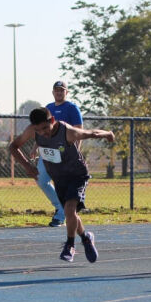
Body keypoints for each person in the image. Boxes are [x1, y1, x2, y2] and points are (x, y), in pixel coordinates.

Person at [10, 107, 114, 263]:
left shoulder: (67, 132)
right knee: (70, 213)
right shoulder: (32, 131)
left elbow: (91, 133)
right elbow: (13, 146)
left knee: (69, 209)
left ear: (52, 121)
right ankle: (86, 238)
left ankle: (70, 245)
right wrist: (28, 167)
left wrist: (108, 134)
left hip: (77, 175)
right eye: (39, 130)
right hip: (59, 177)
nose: (43, 133)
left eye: (45, 128)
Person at [37, 80, 84, 227]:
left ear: (66, 92)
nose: (59, 92)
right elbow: (40, 130)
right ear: (53, 92)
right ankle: (60, 207)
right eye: (56, 90)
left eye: (62, 90)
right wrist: (35, 148)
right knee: (41, 179)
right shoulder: (48, 108)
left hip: (64, 154)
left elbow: (78, 131)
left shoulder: (72, 108)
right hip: (48, 152)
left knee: (61, 183)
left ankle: (60, 214)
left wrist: (75, 152)